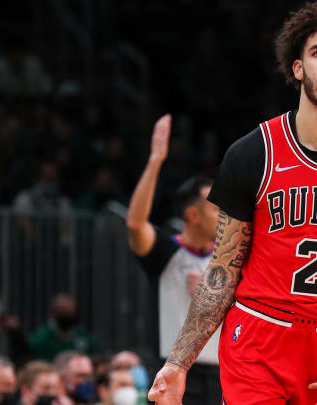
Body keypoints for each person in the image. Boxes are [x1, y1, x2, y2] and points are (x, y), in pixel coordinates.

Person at [148, 2, 317, 405]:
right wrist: (178, 362)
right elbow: (222, 270)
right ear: (297, 68)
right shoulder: (252, 152)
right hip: (258, 336)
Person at [126, 116, 220, 404]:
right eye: (216, 209)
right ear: (192, 215)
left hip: (222, 371)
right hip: (172, 369)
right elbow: (135, 224)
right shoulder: (167, 251)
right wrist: (156, 160)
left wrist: (211, 295)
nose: (224, 216)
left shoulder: (229, 258)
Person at [29, 294, 98, 361]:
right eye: (64, 312)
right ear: (54, 312)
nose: (69, 315)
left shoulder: (83, 335)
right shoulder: (40, 339)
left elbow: (95, 356)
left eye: (71, 311)